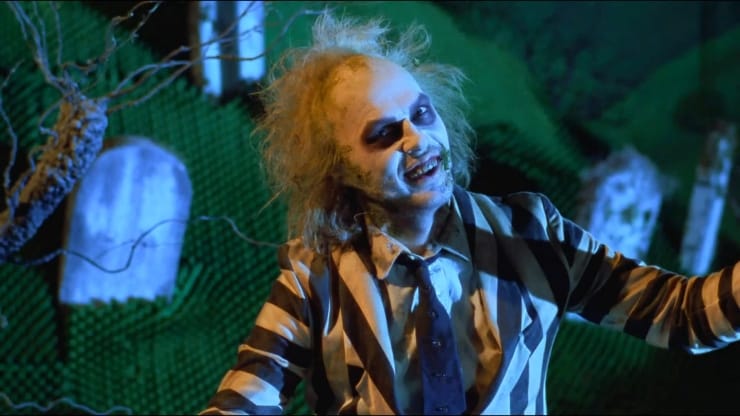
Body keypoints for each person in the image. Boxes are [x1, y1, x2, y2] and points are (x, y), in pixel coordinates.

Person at [201, 10, 740, 415]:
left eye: (421, 113)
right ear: (338, 168)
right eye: (384, 134)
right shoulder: (313, 276)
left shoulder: (532, 234)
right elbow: (247, 397)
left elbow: (679, 313)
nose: (417, 138)